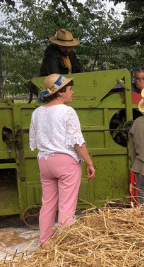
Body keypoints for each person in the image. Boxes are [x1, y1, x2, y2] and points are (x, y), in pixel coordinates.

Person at [29, 74, 95, 246]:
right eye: (70, 89)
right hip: (65, 162)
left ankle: (45, 242)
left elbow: (36, 139)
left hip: (44, 161)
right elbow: (77, 142)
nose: (72, 92)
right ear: (59, 92)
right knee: (67, 206)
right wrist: (89, 162)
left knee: (48, 204)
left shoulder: (37, 112)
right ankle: (65, 247)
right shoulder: (67, 112)